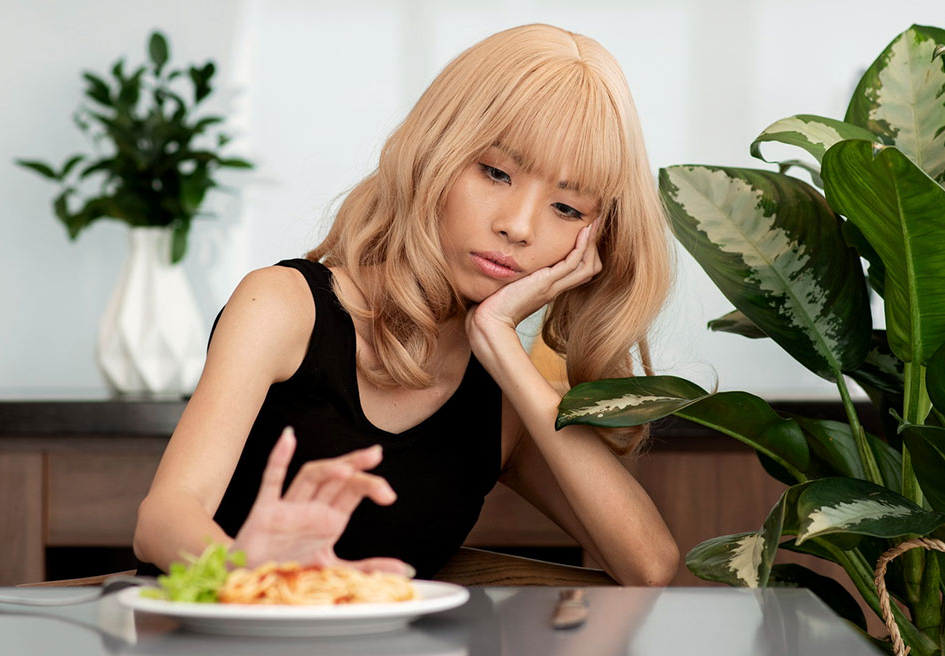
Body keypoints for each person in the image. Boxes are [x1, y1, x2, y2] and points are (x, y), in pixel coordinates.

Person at [132, 23, 679, 585]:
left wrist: (499, 341)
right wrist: (267, 584)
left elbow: (649, 566)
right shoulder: (282, 306)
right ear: (437, 153)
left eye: (566, 208)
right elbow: (164, 518)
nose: (517, 226)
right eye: (495, 173)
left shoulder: (502, 400)